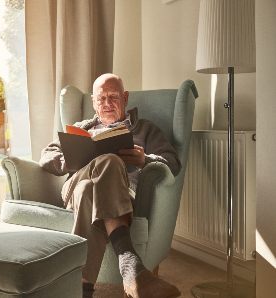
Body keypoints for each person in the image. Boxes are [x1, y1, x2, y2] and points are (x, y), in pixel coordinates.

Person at [39, 73, 182, 298]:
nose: (106, 104)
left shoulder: (145, 129)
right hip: (74, 189)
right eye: (100, 98)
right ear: (94, 102)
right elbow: (46, 155)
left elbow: (172, 162)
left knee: (91, 191)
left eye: (113, 97)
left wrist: (146, 159)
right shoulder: (81, 127)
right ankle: (129, 263)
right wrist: (68, 158)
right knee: (106, 164)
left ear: (125, 98)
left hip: (121, 195)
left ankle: (81, 290)